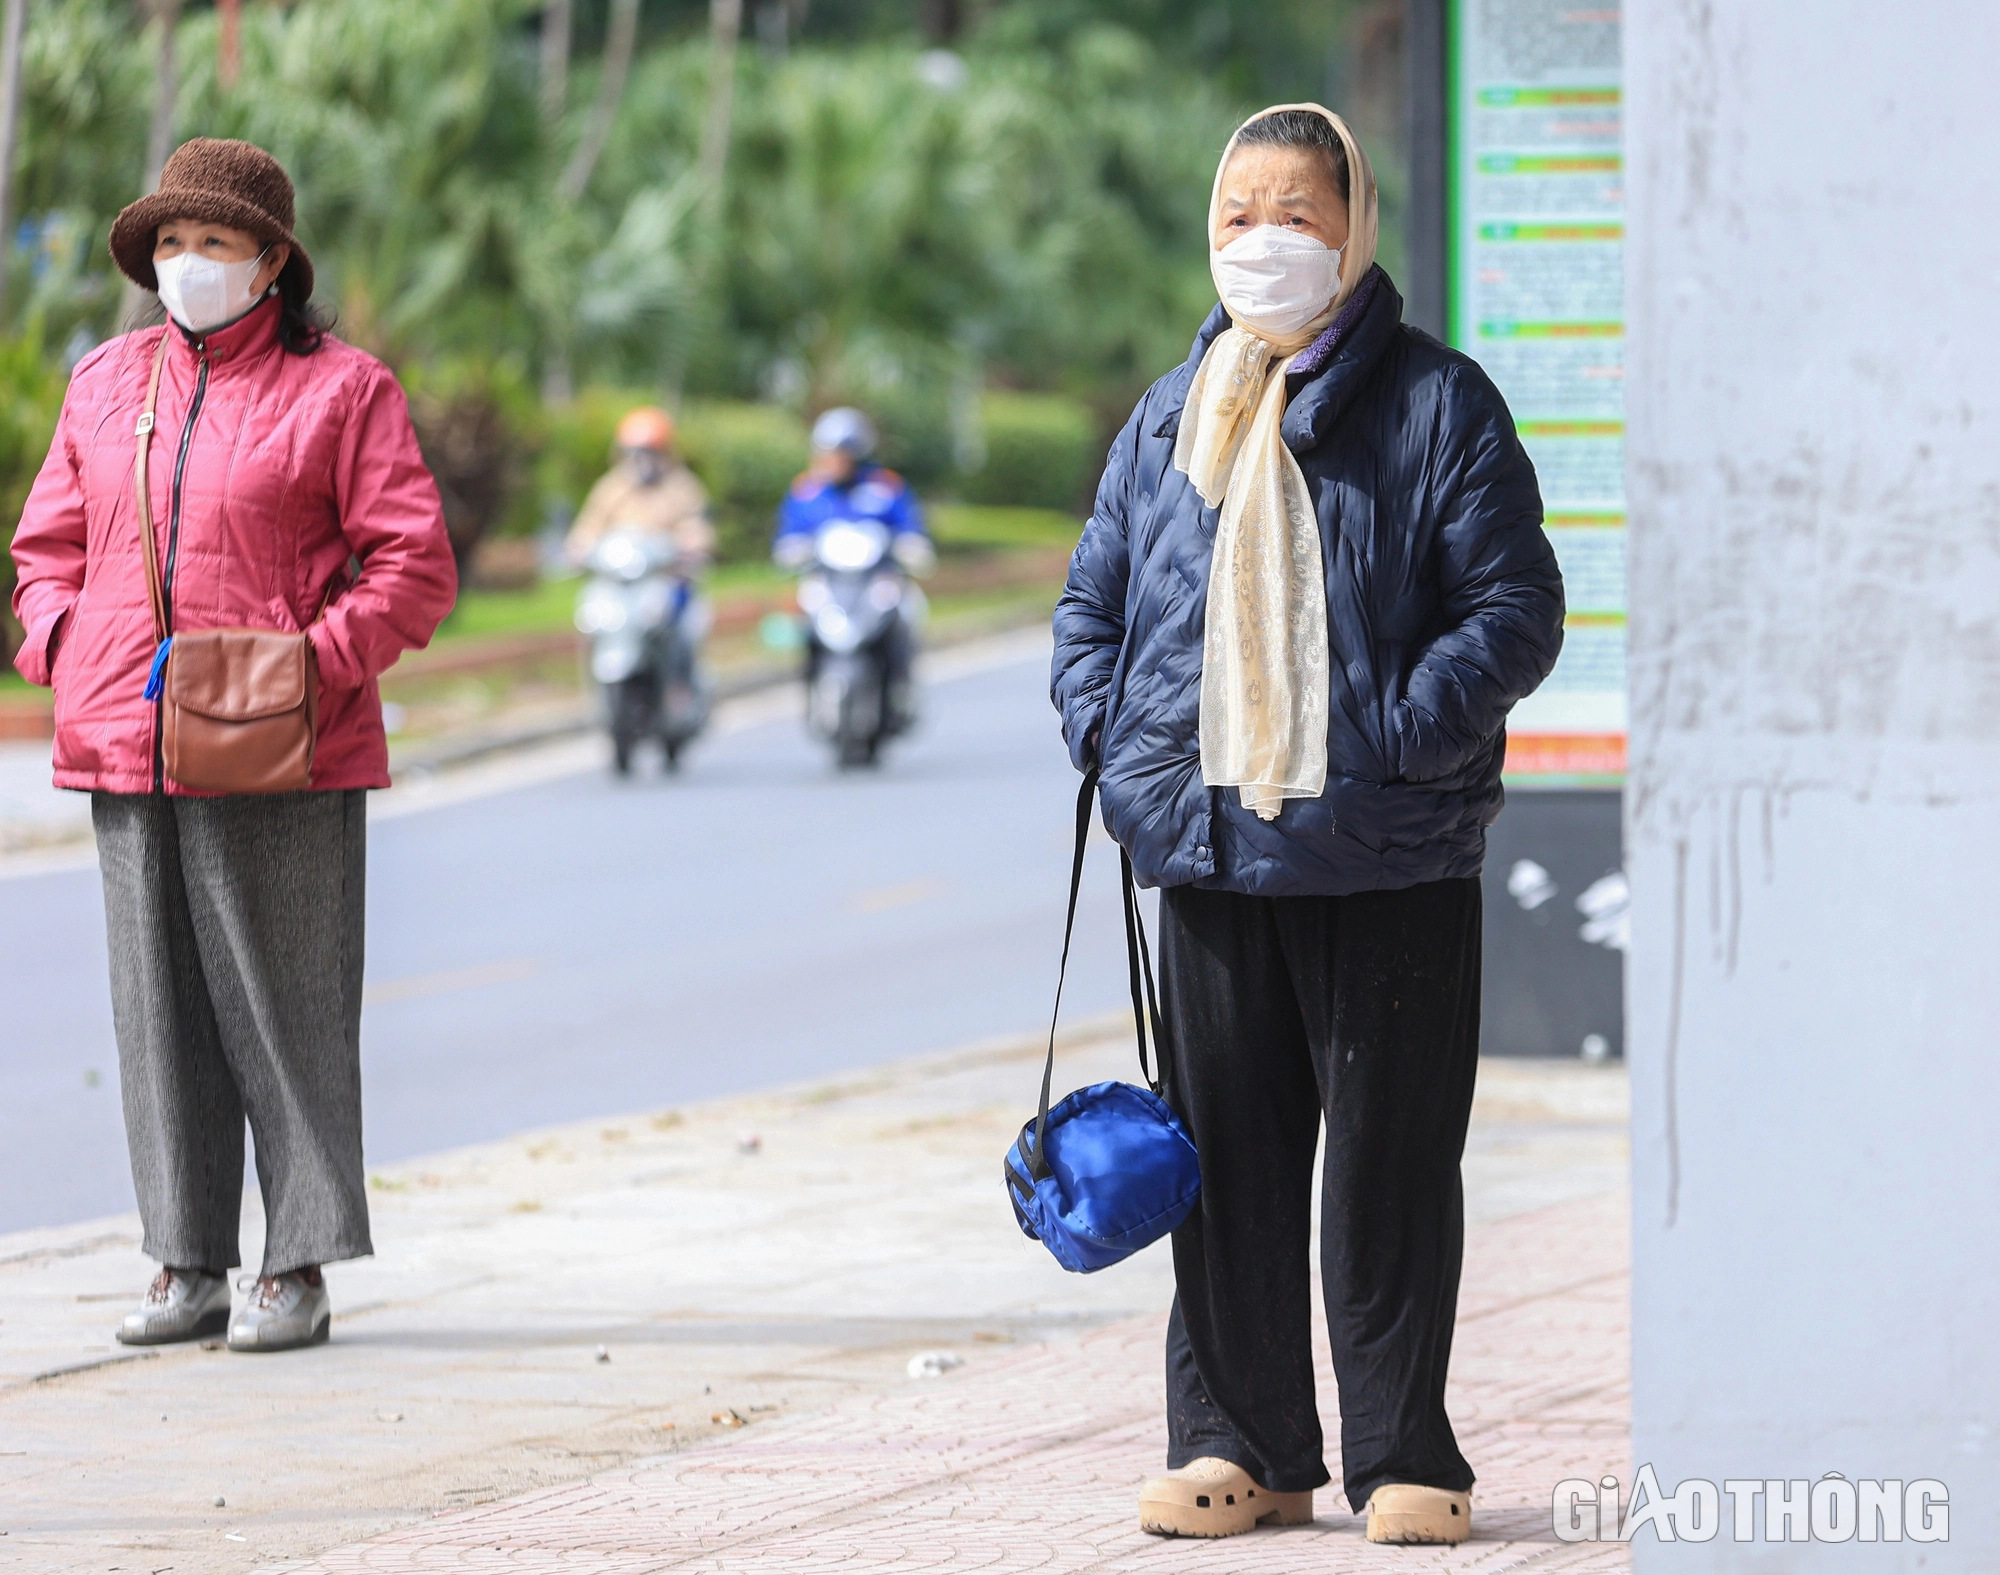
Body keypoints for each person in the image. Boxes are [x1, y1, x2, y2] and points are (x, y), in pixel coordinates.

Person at [1050, 105, 1563, 1544]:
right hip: (1208, 850)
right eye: (1237, 214)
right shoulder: (1171, 413)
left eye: (1295, 211)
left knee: (1392, 1162)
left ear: (1354, 228)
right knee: (1224, 1161)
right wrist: (1123, 747)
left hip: (1388, 848)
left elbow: (1516, 605)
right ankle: (1240, 1443)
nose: (1261, 240)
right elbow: (1093, 606)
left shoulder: (1438, 403)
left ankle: (1407, 1447)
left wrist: (1400, 731)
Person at [8, 139, 456, 1353]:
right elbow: (43, 548)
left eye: (212, 243)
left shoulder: (344, 391)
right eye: (168, 243)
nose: (186, 264)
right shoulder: (104, 383)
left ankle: (298, 1264)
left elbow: (415, 566)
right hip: (123, 743)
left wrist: (305, 665)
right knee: (157, 1021)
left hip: (279, 750)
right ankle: (184, 1262)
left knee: (286, 1010)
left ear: (271, 262)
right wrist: (63, 639)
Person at [774, 407, 932, 725]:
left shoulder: (885, 487)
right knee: (804, 617)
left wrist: (912, 547)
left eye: (839, 454)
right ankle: (811, 687)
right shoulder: (807, 491)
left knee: (906, 613)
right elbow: (789, 535)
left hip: (876, 580)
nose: (831, 461)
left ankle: (901, 688)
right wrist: (791, 551)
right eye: (826, 453)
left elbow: (910, 529)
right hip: (829, 582)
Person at [563, 405, 715, 568]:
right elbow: (589, 524)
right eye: (636, 453)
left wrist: (690, 545)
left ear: (665, 452)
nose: (643, 460)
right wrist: (579, 548)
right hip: (617, 573)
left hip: (666, 574)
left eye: (650, 452)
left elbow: (696, 525)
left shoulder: (682, 486)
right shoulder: (612, 486)